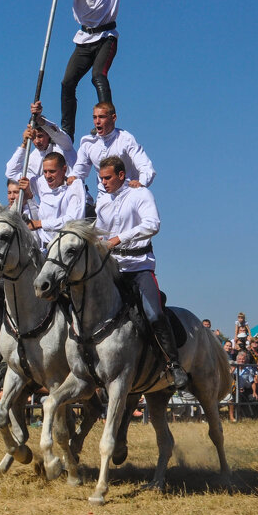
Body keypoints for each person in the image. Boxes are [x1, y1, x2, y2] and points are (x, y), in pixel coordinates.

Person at [95, 156, 188, 389]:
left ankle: (173, 364)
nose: (103, 182)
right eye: (101, 178)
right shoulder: (103, 201)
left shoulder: (140, 194)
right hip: (112, 268)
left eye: (107, 178)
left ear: (121, 175)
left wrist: (119, 238)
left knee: (153, 313)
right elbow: (99, 230)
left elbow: (152, 224)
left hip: (139, 267)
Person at [56, 0, 144, 139]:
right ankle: (67, 131)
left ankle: (107, 122)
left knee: (98, 75)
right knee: (67, 83)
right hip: (84, 40)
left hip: (106, 38)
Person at [68, 102, 155, 198]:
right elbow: (78, 173)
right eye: (94, 117)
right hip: (105, 198)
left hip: (128, 195)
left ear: (113, 118)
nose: (97, 121)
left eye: (101, 117)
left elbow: (146, 167)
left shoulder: (126, 139)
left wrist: (141, 183)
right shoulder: (88, 143)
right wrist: (73, 178)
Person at [18, 152, 86, 250]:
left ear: (64, 170)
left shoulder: (74, 186)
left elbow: (72, 220)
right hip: (45, 249)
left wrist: (40, 224)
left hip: (67, 249)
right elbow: (12, 172)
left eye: (52, 171)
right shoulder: (39, 182)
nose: (48, 176)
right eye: (45, 171)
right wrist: (29, 195)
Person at [6, 100, 77, 182]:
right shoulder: (32, 159)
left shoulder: (63, 145)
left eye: (40, 136)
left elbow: (56, 133)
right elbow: (11, 172)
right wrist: (24, 143)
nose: (37, 141)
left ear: (48, 134)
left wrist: (39, 120)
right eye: (33, 137)